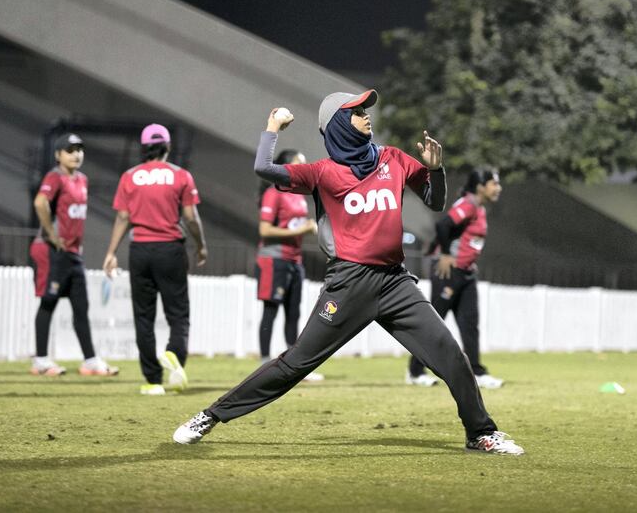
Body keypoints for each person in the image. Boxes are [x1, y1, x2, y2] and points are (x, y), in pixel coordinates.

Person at [173, 90, 524, 455]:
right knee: (295, 364)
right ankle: (211, 415)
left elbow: (436, 202)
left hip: (394, 283)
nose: (366, 115)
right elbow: (264, 168)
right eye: (356, 112)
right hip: (348, 285)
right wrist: (272, 127)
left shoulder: (393, 159)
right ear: (339, 123)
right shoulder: (322, 173)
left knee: (451, 353)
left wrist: (436, 170)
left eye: (364, 109)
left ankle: (480, 433)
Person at [103, 124, 208, 396]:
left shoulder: (129, 176)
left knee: (143, 316)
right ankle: (174, 354)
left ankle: (152, 381)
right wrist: (200, 246)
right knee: (178, 313)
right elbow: (190, 217)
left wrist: (111, 252)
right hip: (170, 250)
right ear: (168, 147)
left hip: (139, 250)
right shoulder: (180, 176)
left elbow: (123, 218)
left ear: (144, 147)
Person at [28, 133, 118, 377]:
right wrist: (51, 234)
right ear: (58, 155)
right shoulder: (54, 177)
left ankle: (90, 361)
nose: (76, 154)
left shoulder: (82, 180)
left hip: (73, 254)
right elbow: (40, 203)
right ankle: (41, 361)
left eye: (79, 149)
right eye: (70, 150)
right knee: (48, 302)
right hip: (53, 250)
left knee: (81, 307)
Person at [406, 168, 504, 389]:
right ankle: (414, 371)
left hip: (466, 273)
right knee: (435, 323)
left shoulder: (478, 208)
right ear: (481, 186)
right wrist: (446, 255)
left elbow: (466, 239)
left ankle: (477, 371)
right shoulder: (467, 204)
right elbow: (443, 225)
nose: (498, 188)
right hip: (449, 272)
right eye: (494, 184)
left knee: (470, 325)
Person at [255, 149, 322, 381]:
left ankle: (295, 367)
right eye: (299, 163)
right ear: (286, 167)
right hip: (274, 259)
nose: (304, 167)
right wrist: (301, 229)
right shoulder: (274, 193)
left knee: (293, 314)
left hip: (295, 260)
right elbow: (264, 230)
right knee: (271, 311)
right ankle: (264, 364)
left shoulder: (298, 194)